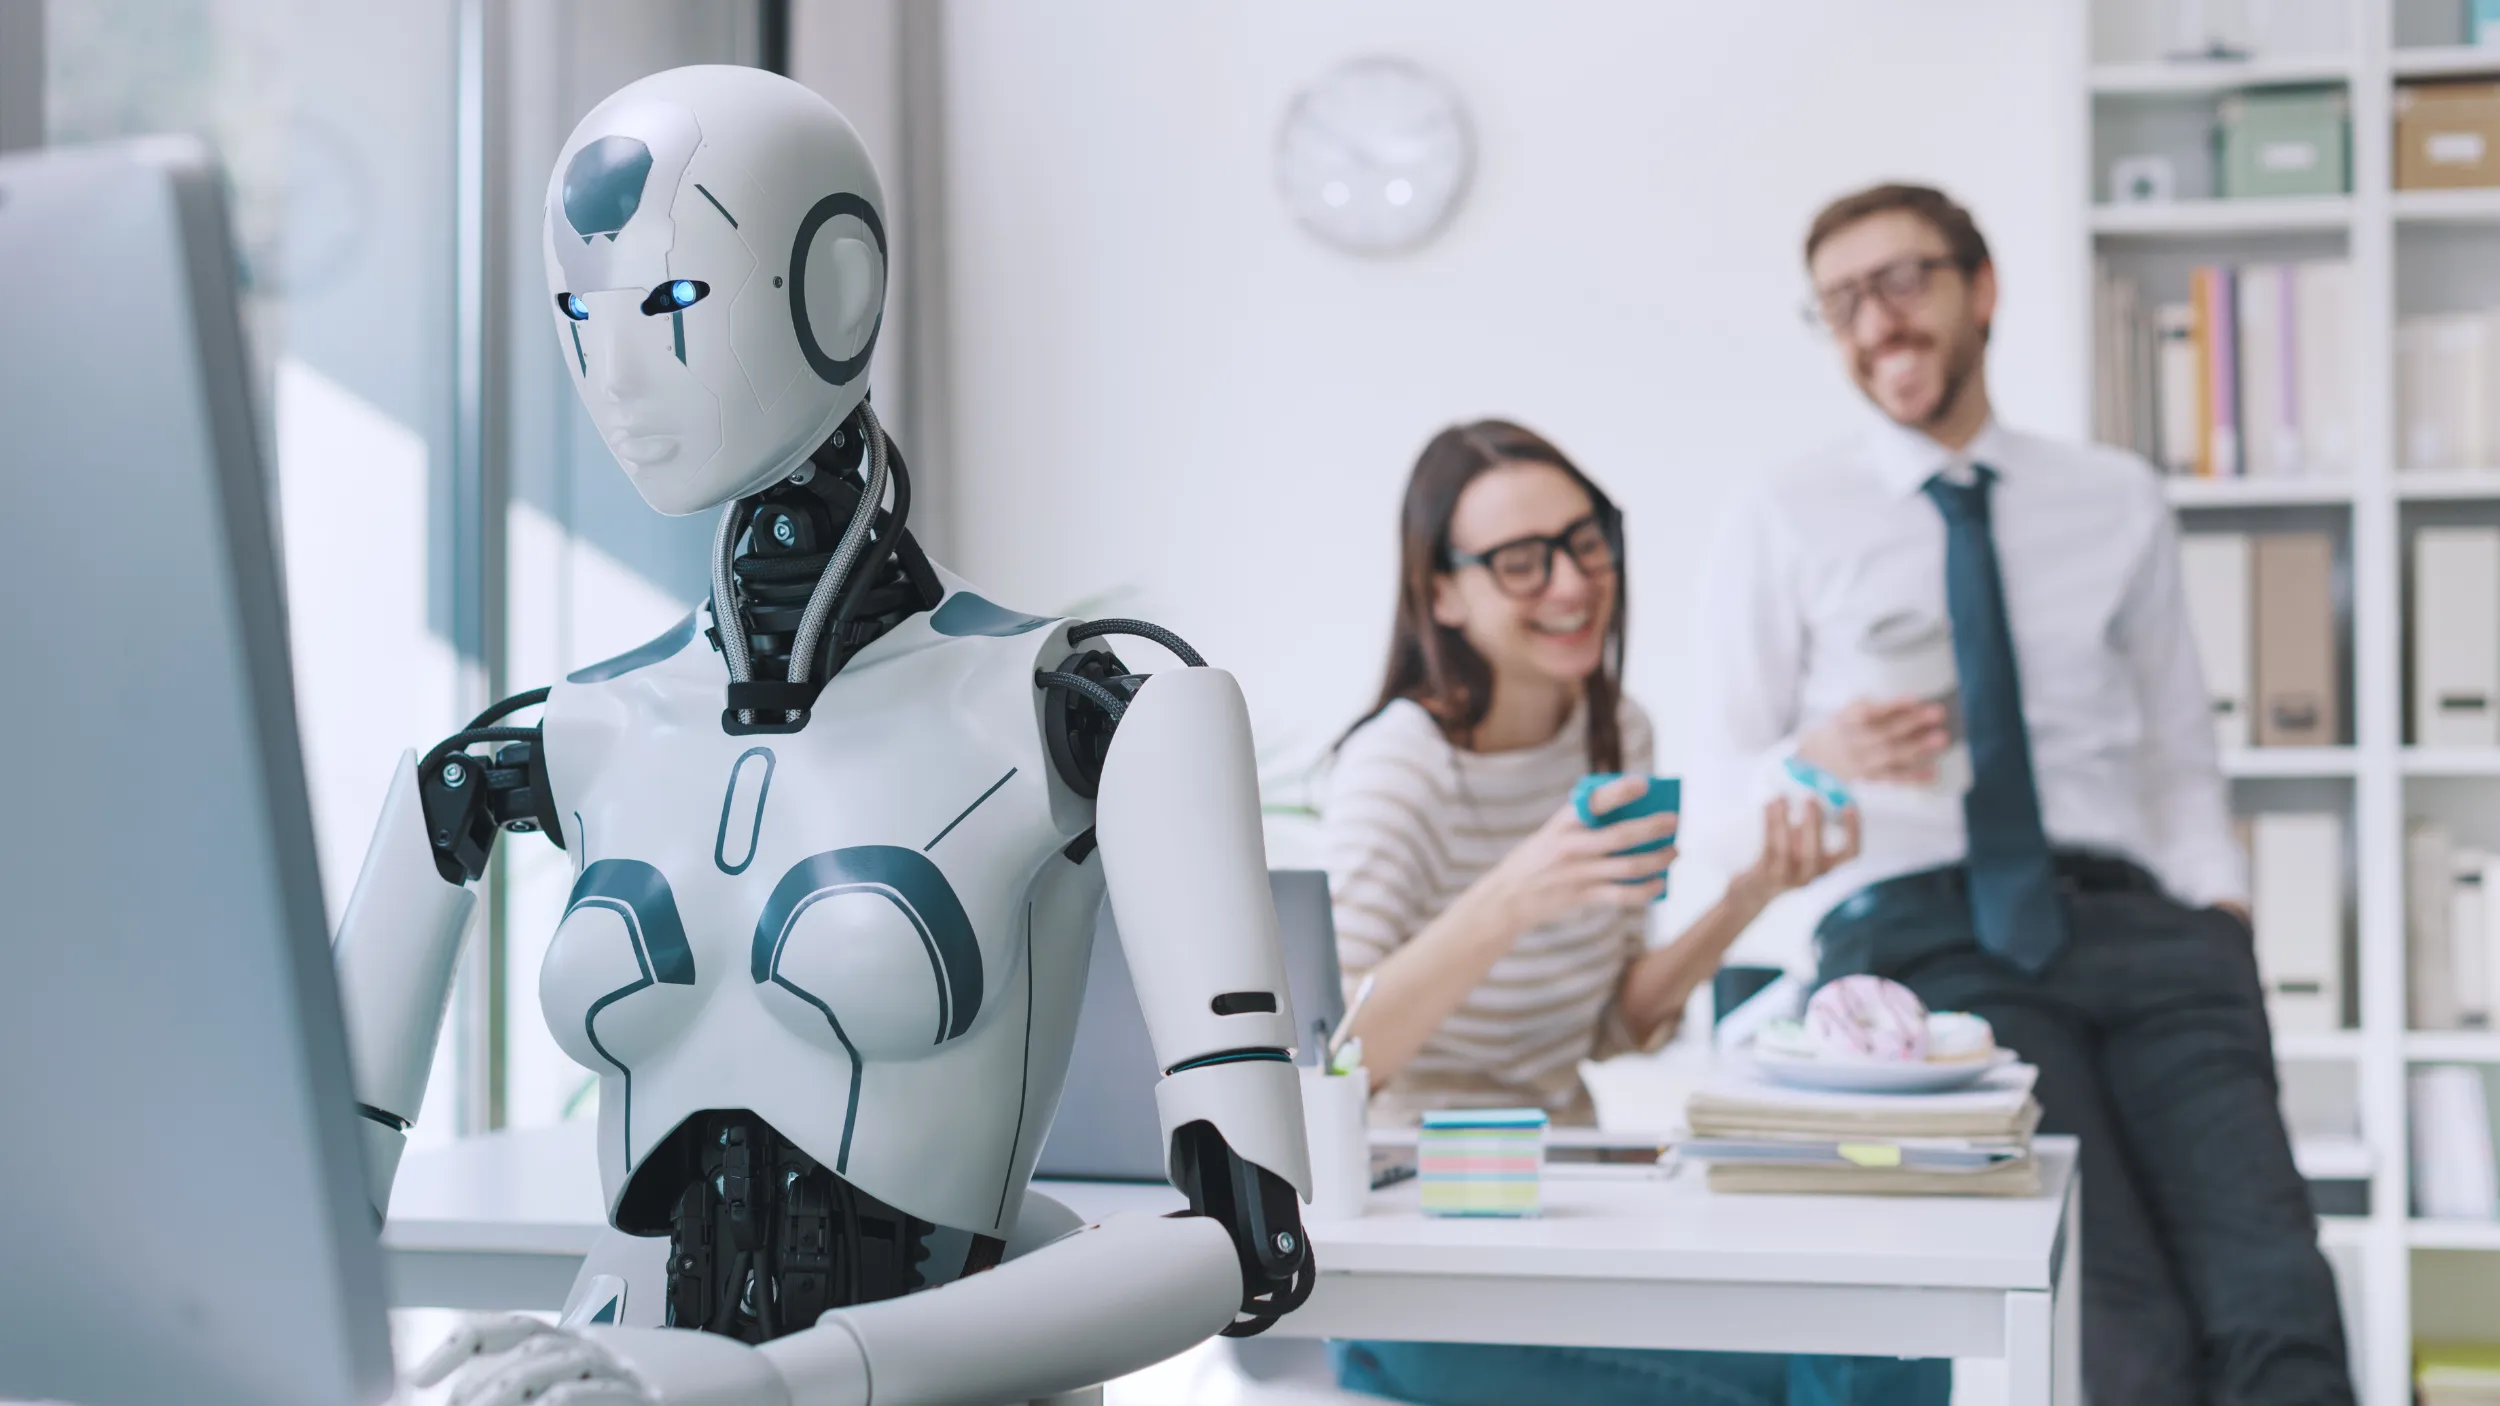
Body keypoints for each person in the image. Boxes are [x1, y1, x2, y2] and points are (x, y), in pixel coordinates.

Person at [1679, 183, 2352, 1404]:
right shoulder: (1784, 513)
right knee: (2118, 1325)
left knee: (2275, 1303)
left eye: (1901, 281)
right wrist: (1818, 751)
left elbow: (2176, 749)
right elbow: (1719, 797)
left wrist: (2221, 914)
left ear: (1979, 288)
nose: (1875, 322)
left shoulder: (2114, 496)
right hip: (1925, 938)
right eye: (1840, 302)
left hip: (2145, 927)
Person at [1321, 419, 1946, 1406]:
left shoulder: (1615, 732)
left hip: (1566, 1201)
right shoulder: (1401, 764)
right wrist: (1511, 896)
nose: (1571, 583)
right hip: (1418, 1247)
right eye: (1520, 562)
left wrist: (1751, 891)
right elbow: (1331, 1062)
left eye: (1585, 541)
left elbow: (1618, 1024)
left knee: (1892, 1352)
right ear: (1441, 592)